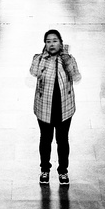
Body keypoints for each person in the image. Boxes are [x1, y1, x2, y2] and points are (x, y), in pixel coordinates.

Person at [29, 29, 82, 185]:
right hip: (44, 108)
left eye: (54, 41)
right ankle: (45, 169)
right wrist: (42, 58)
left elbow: (76, 76)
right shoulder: (39, 58)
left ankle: (63, 171)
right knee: (45, 140)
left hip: (64, 109)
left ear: (61, 42)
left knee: (62, 140)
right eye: (48, 41)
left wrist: (66, 59)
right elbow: (33, 71)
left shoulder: (68, 59)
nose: (51, 44)